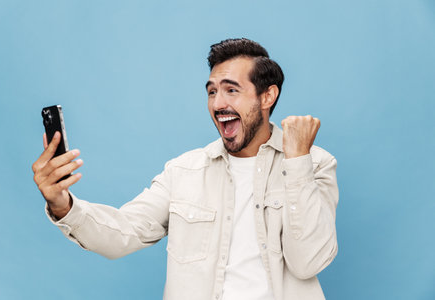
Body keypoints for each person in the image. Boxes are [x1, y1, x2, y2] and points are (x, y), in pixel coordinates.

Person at [32, 38, 338, 300]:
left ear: (267, 96)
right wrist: (62, 205)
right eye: (212, 91)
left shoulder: (315, 163)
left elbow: (307, 262)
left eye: (231, 90)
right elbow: (123, 233)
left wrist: (297, 160)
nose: (218, 103)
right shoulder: (184, 171)